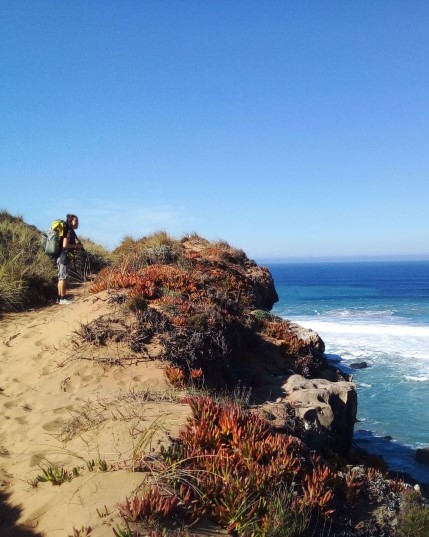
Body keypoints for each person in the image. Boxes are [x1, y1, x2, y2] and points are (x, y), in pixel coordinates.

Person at [57, 214, 84, 304]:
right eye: (76, 221)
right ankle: (63, 298)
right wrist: (77, 245)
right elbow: (65, 245)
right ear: (71, 222)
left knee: (61, 278)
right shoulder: (68, 231)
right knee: (63, 278)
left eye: (77, 221)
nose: (77, 223)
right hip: (64, 256)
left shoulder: (70, 231)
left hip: (62, 256)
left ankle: (60, 297)